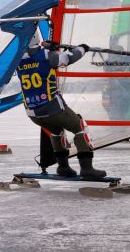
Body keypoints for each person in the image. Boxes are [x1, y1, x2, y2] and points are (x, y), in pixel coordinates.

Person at [16, 32, 104, 178]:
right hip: (52, 108)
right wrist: (82, 48)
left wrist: (50, 49)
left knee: (57, 131)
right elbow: (69, 57)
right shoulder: (46, 55)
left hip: (33, 112)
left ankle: (63, 167)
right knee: (80, 127)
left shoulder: (17, 60)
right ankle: (87, 169)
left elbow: (32, 58)